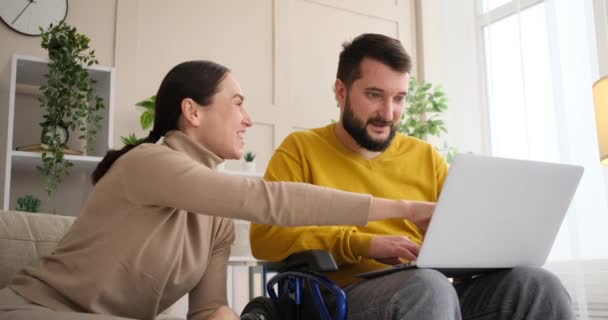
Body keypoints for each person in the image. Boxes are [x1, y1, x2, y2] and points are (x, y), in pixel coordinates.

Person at [0, 60, 437, 320]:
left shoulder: (215, 219)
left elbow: (208, 309)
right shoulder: (150, 163)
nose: (248, 119)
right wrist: (406, 208)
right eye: (238, 103)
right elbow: (267, 201)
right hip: (41, 310)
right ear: (192, 111)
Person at [250, 33, 575, 320]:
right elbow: (265, 238)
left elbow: (459, 239)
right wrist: (362, 244)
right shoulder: (301, 149)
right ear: (341, 91)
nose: (389, 113)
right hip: (342, 298)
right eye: (374, 95)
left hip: (432, 291)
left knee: (537, 285)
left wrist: (475, 247)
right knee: (426, 287)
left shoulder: (426, 157)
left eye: (400, 98)